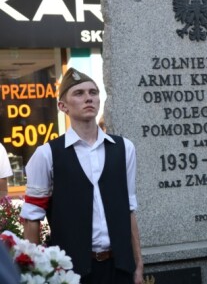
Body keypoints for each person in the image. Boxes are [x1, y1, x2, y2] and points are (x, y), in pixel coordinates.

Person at [20, 68, 143, 284]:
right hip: (72, 273)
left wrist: (138, 266)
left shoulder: (124, 148)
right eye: (79, 93)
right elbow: (32, 220)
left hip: (120, 268)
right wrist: (37, 273)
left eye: (93, 92)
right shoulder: (47, 154)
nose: (88, 98)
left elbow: (129, 210)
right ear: (62, 106)